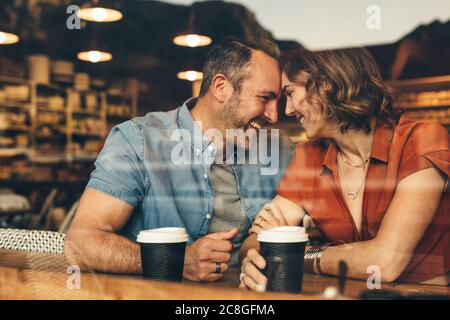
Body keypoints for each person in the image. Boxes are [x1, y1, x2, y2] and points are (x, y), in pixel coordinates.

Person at [65, 38, 294, 282]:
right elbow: (81, 243)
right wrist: (173, 261)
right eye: (264, 98)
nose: (274, 114)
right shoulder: (138, 141)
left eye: (277, 100)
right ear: (220, 88)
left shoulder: (279, 150)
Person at [240, 47, 449, 290]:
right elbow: (255, 241)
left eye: (290, 93)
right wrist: (258, 255)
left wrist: (294, 253)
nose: (287, 110)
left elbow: (385, 262)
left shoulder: (422, 139)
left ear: (325, 84)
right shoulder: (308, 156)